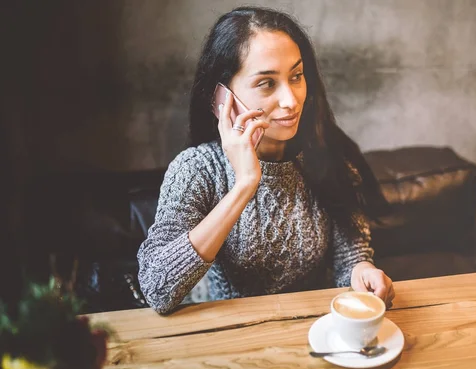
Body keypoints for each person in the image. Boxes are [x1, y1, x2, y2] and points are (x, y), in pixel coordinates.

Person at [138, 6, 396, 315]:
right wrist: (244, 185)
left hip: (315, 331)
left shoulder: (326, 154)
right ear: (222, 98)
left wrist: (361, 270)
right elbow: (156, 288)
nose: (291, 101)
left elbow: (350, 255)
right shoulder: (197, 169)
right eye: (267, 83)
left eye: (297, 76)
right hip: (235, 338)